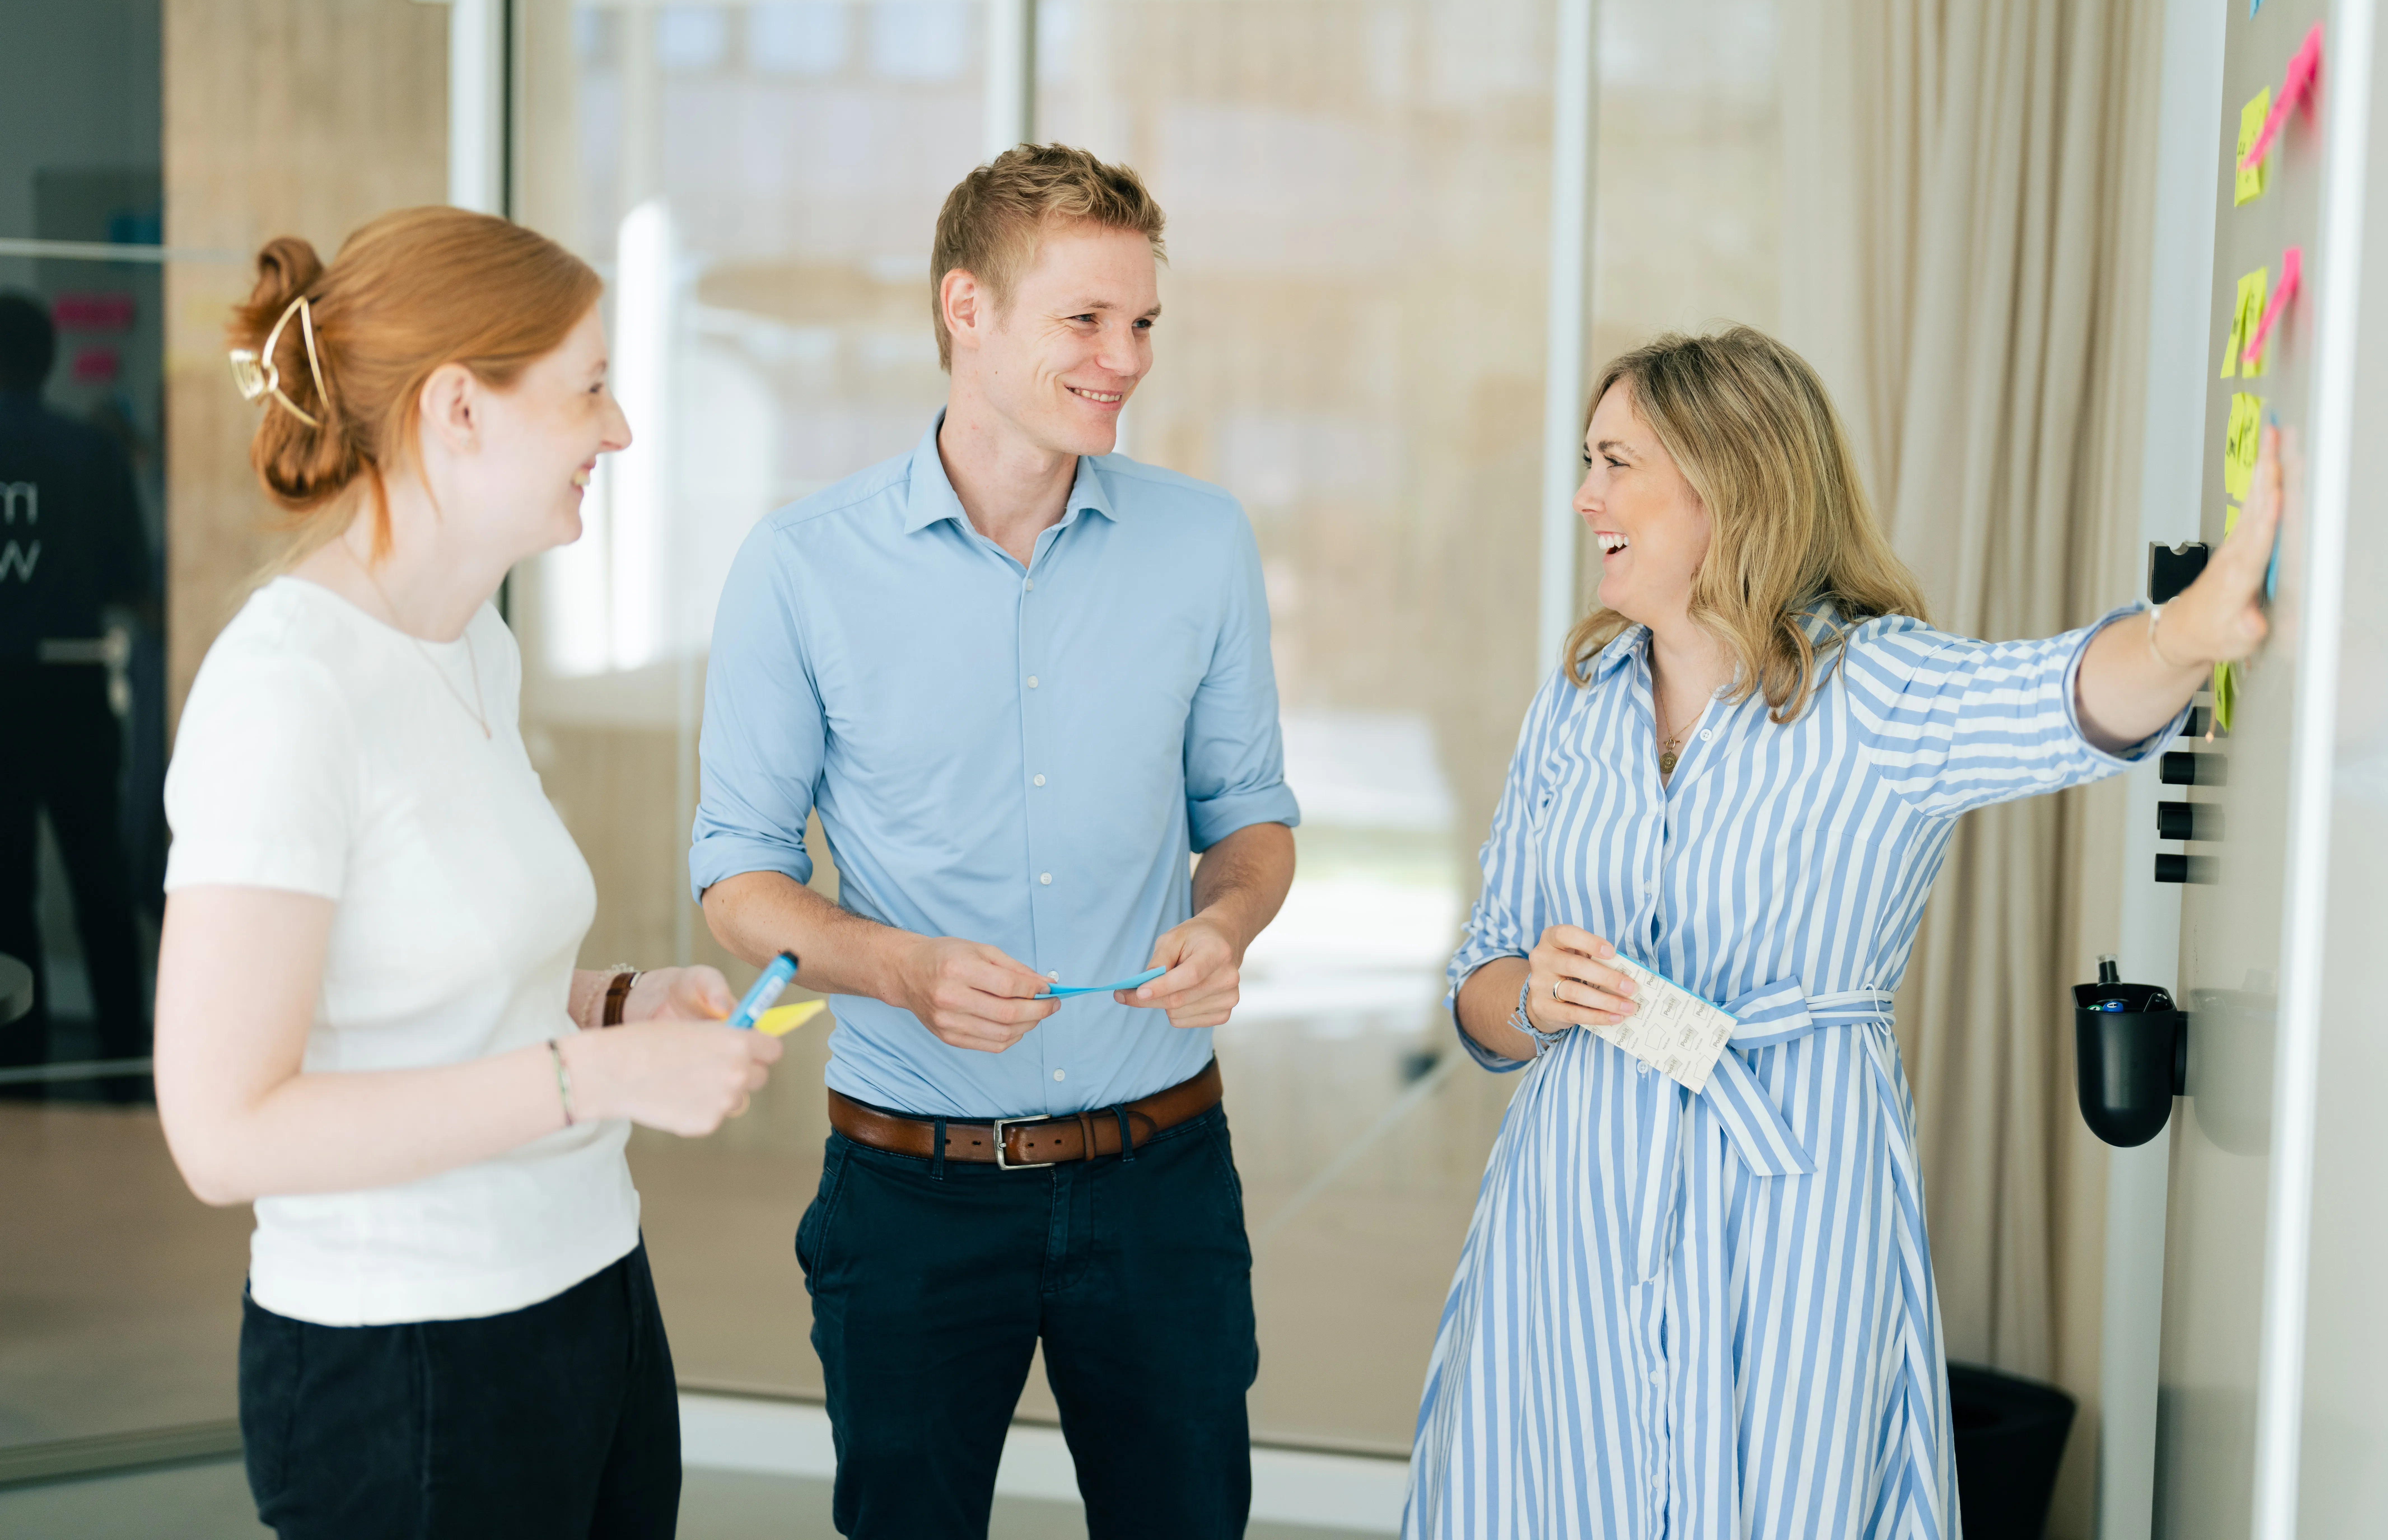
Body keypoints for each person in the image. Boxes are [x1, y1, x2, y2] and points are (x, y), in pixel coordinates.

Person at [1404, 325, 2281, 1537]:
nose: (1583, 495)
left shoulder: (1873, 691)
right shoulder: (1576, 703)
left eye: (1616, 463)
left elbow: (2062, 696)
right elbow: (1477, 987)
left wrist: (2185, 635)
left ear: (1729, 480)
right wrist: (1532, 996)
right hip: (1574, 1202)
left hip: (1795, 1188)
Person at [692, 143, 1298, 1540]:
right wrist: (896, 967)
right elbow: (737, 880)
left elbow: (1250, 817)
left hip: (1164, 1184)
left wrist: (1228, 924)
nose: (1123, 358)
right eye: (1083, 320)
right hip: (911, 1193)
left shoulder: (1204, 546)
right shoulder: (801, 566)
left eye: (1142, 322)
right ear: (966, 309)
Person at [151, 209, 783, 1540]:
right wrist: (601, 1078)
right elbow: (225, 1131)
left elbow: (440, 986)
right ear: (460, 409)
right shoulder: (287, 693)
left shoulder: (470, 649)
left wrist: (613, 1006)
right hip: (411, 1363)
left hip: (589, 1291)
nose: (618, 433)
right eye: (591, 389)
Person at [0, 291, 152, 1091]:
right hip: (75, 682)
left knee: (4, 890)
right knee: (98, 877)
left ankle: (17, 1067)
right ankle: (128, 1062)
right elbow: (136, 582)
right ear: (50, 359)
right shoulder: (91, 454)